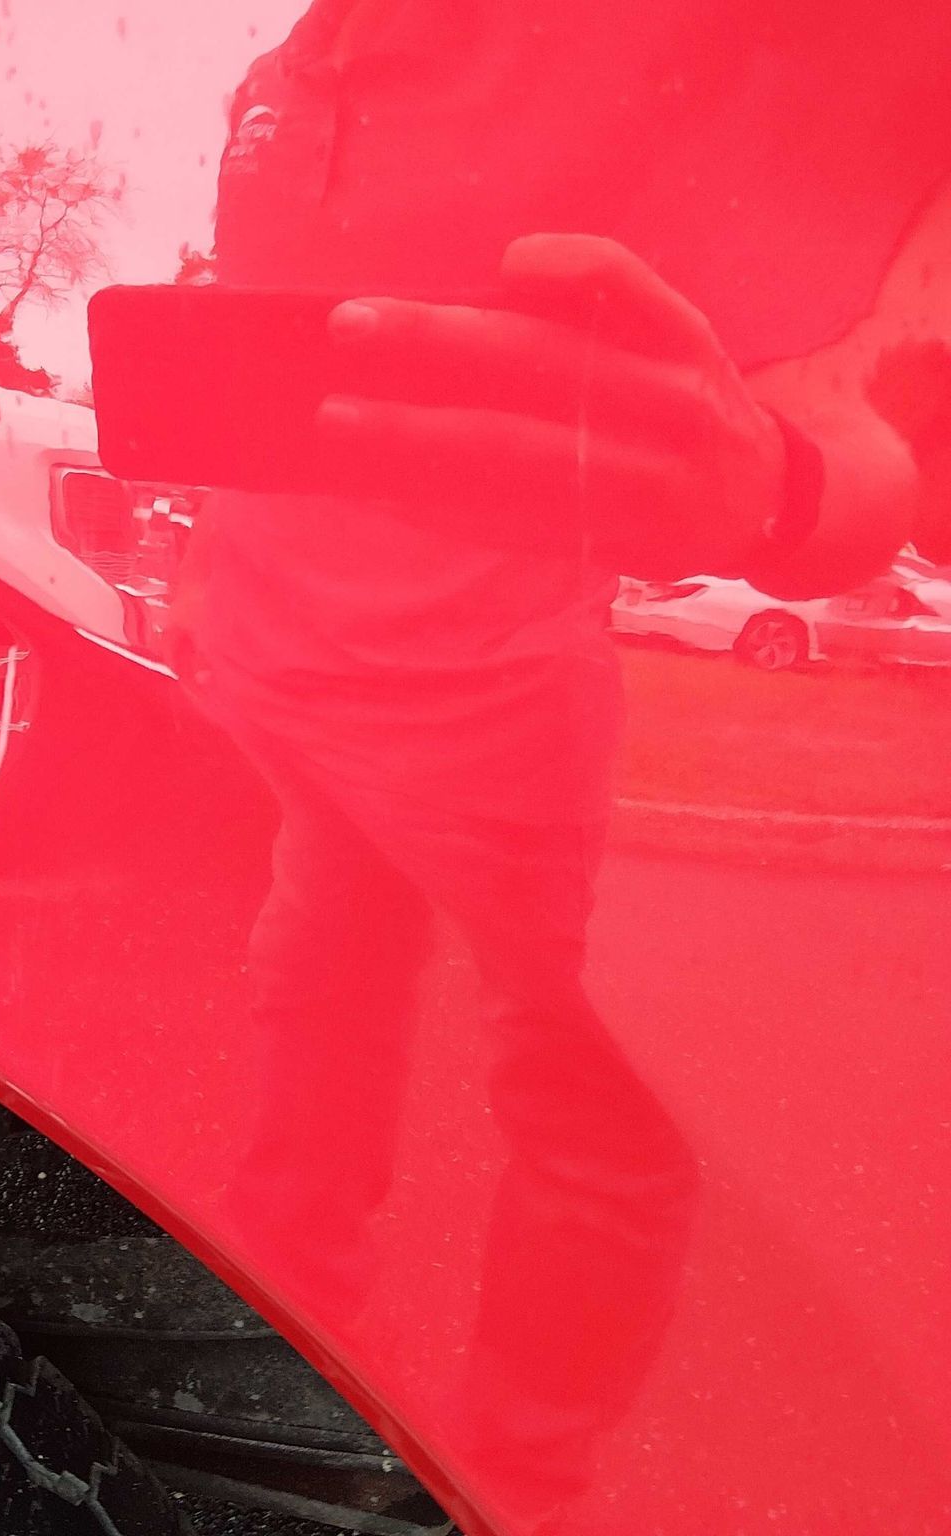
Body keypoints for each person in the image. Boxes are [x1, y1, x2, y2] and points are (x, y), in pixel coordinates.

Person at [176, 0, 951, 1522]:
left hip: (498, 694)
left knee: (592, 1101)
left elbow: (885, 405)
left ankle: (517, 1478)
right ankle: (273, 1353)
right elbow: (269, 361)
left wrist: (789, 485)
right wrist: (209, 561)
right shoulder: (307, 57)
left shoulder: (796, 48)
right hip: (285, 662)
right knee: (314, 993)